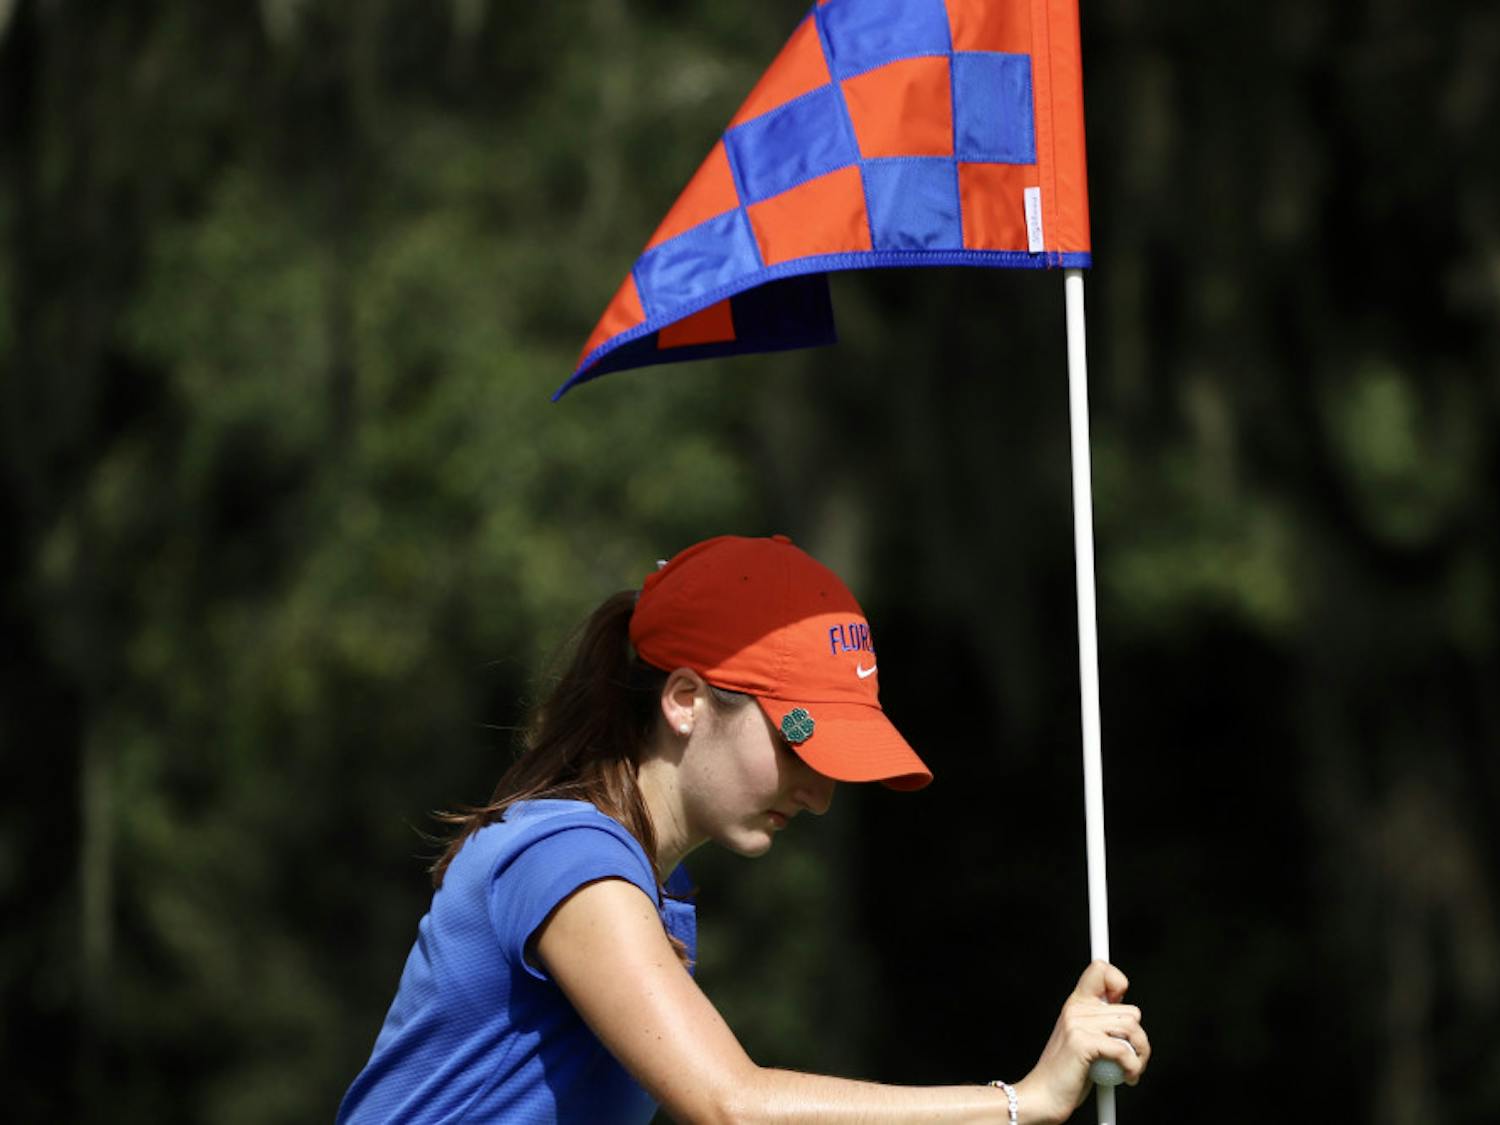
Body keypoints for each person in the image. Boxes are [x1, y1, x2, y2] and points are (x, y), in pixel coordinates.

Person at [336, 534, 1150, 1123]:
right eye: (799, 744)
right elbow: (735, 1106)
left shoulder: (647, 888)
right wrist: (1021, 1102)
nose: (821, 794)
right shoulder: (570, 858)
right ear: (686, 699)